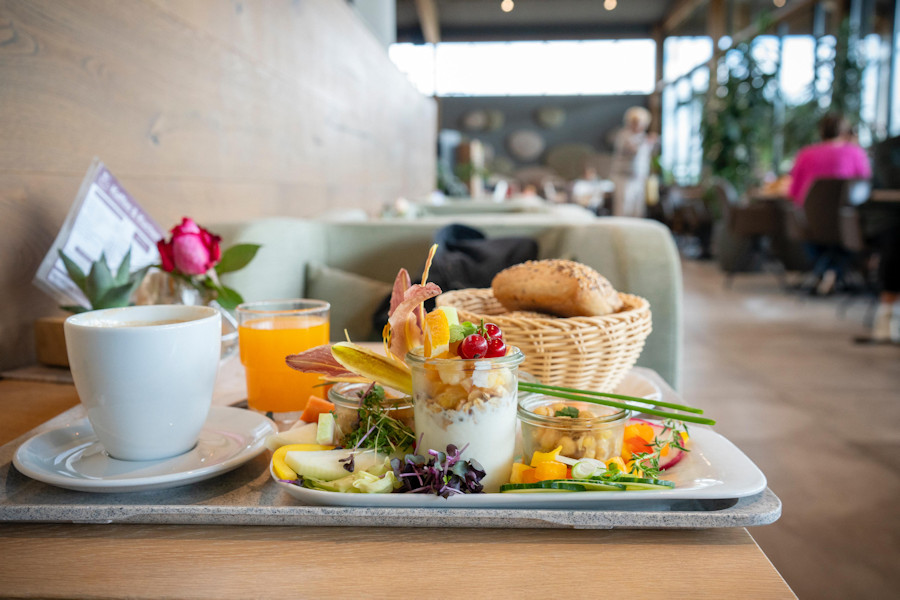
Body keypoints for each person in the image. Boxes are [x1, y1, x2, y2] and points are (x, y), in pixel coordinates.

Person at [788, 113, 871, 206]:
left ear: (821, 132)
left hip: (808, 216)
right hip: (844, 215)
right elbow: (864, 185)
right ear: (844, 132)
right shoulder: (855, 153)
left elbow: (793, 192)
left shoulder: (805, 154)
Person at [610, 107, 657, 217]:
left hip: (639, 178)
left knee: (637, 210)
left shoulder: (643, 137)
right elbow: (634, 151)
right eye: (635, 122)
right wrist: (648, 142)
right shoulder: (623, 135)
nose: (638, 125)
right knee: (624, 208)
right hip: (624, 177)